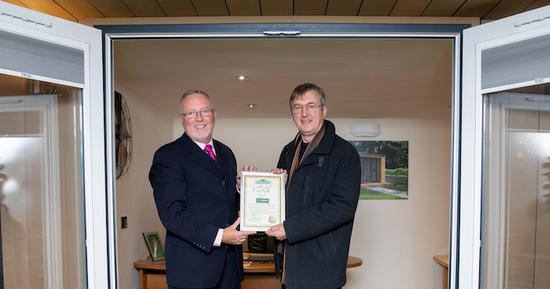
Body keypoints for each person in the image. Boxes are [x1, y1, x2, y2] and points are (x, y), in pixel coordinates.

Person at [149, 90, 256, 289]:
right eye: (191, 113)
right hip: (192, 272)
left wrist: (241, 188)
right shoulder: (168, 156)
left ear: (214, 115)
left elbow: (224, 203)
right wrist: (221, 236)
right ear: (182, 119)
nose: (199, 118)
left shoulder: (226, 153)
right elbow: (172, 215)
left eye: (204, 111)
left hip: (230, 269)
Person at [266, 83, 361, 289]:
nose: (304, 113)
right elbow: (285, 203)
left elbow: (342, 207)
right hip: (289, 268)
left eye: (311, 106)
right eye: (297, 107)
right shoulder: (289, 151)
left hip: (321, 272)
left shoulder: (345, 153)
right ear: (292, 113)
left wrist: (291, 229)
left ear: (323, 110)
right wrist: (275, 186)